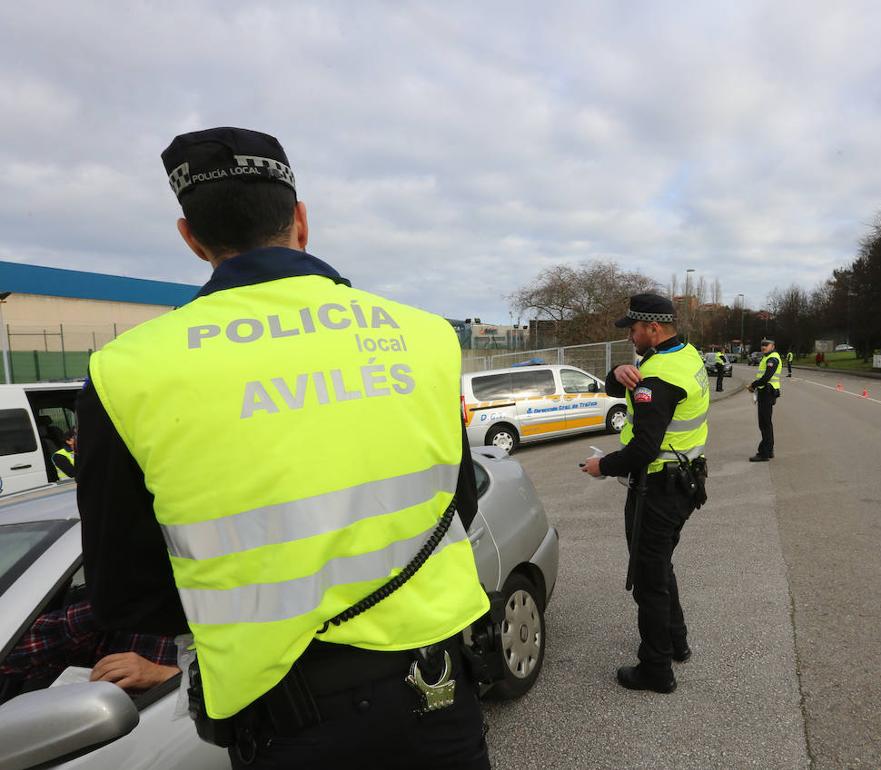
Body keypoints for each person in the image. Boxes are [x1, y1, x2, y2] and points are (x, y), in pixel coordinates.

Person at [76, 127, 491, 769]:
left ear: (190, 238)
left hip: (285, 721)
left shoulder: (124, 371)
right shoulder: (426, 337)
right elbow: (456, 501)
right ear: (301, 220)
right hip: (436, 694)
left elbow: (128, 593)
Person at [580, 293, 709, 695]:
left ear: (653, 329)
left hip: (657, 490)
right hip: (683, 483)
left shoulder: (658, 379)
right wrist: (617, 372)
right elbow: (623, 387)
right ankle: (677, 643)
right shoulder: (684, 354)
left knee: (649, 581)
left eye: (633, 330)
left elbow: (642, 449)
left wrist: (604, 467)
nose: (630, 336)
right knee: (661, 566)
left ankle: (656, 669)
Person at [0, 599, 179, 704]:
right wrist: (109, 605)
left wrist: (163, 675)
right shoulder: (118, 609)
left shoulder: (201, 607)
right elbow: (12, 652)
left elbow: (205, 689)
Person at [747, 339, 781, 462]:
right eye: (762, 345)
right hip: (766, 392)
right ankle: (769, 450)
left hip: (767, 393)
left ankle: (764, 453)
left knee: (765, 424)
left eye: (766, 345)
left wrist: (753, 384)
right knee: (767, 423)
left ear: (773, 346)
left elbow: (766, 377)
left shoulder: (772, 359)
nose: (763, 347)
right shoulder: (768, 357)